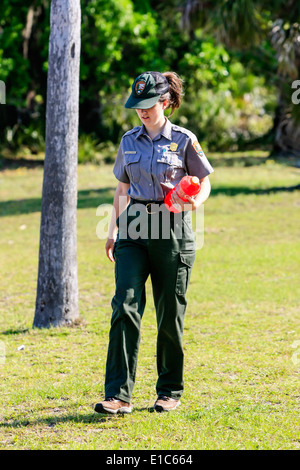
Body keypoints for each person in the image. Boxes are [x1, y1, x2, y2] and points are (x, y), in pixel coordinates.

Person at [94, 71, 214, 414]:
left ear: (165, 102)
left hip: (172, 231)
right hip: (133, 229)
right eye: (137, 106)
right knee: (125, 305)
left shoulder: (184, 139)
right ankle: (118, 394)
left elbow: (203, 181)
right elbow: (122, 188)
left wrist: (195, 201)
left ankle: (169, 391)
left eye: (148, 105)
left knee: (169, 313)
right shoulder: (128, 140)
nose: (142, 112)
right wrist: (114, 229)